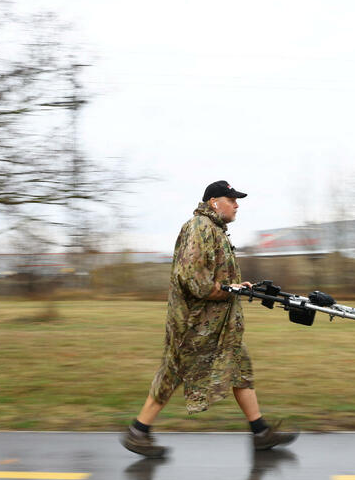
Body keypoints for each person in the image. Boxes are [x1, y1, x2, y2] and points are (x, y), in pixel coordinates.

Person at [121, 180, 299, 458]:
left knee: (240, 366)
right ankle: (138, 431)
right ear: (215, 202)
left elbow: (215, 277)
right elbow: (196, 281)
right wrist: (229, 290)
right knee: (173, 371)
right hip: (194, 323)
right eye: (232, 200)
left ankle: (261, 432)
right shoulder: (199, 228)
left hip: (217, 324)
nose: (237, 205)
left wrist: (238, 286)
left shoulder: (214, 229)